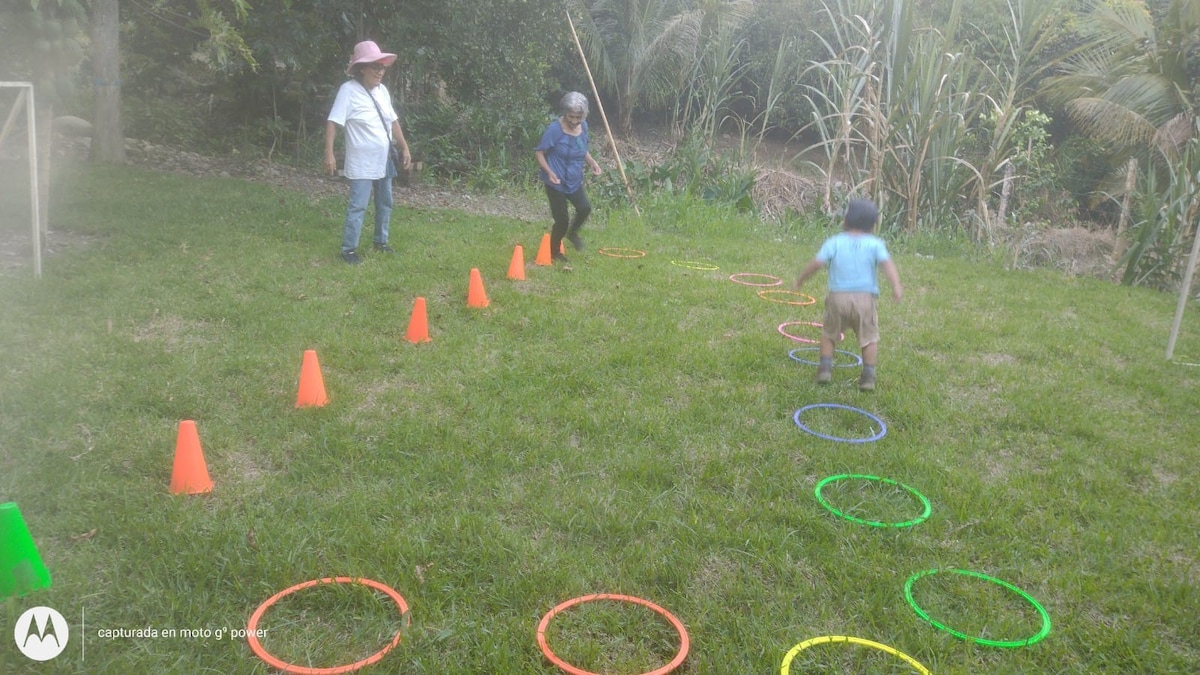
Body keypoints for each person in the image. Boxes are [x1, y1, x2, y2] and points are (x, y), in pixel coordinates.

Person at [794, 198, 903, 391]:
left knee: (829, 334)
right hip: (865, 300)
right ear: (873, 225)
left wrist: (801, 279)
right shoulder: (875, 244)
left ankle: (825, 370)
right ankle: (868, 376)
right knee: (869, 338)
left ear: (846, 220)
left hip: (838, 298)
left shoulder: (834, 242)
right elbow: (888, 265)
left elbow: (817, 263)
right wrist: (896, 286)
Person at [324, 40, 412, 264]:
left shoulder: (382, 91)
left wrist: (404, 147)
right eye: (375, 67)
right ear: (361, 68)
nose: (379, 72)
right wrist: (329, 153)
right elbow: (333, 122)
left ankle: (380, 242)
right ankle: (348, 250)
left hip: (383, 159)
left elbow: (393, 121)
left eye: (382, 67)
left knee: (385, 202)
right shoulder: (348, 91)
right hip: (362, 162)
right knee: (358, 205)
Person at [535, 92, 602, 264]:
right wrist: (549, 172)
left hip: (574, 180)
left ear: (584, 115)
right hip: (555, 182)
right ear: (565, 113)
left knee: (585, 208)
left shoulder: (583, 127)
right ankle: (554, 251)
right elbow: (540, 153)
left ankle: (572, 233)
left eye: (578, 117)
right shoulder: (554, 130)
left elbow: (582, 148)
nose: (574, 121)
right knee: (561, 220)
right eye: (571, 116)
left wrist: (592, 163)